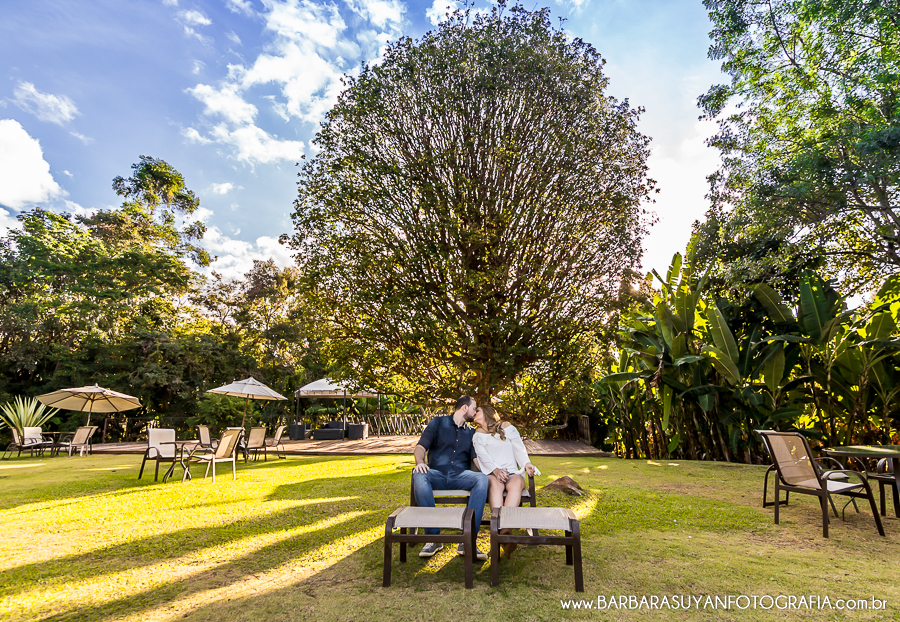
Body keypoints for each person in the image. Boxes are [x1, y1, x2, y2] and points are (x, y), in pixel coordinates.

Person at [412, 395, 489, 560]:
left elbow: (476, 459)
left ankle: (468, 540)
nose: (475, 413)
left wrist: (493, 472)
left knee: (481, 479)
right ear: (464, 408)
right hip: (436, 474)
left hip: (460, 476)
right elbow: (420, 446)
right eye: (474, 409)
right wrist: (419, 463)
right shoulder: (437, 423)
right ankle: (433, 539)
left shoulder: (470, 433)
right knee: (418, 475)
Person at [472, 404, 541, 558]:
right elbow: (483, 457)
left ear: (487, 413)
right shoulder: (477, 435)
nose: (474, 413)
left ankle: (503, 529)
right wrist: (496, 471)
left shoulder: (506, 427)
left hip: (512, 472)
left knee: (516, 483)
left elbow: (519, 448)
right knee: (495, 485)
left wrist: (527, 464)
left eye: (478, 410)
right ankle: (500, 529)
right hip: (492, 472)